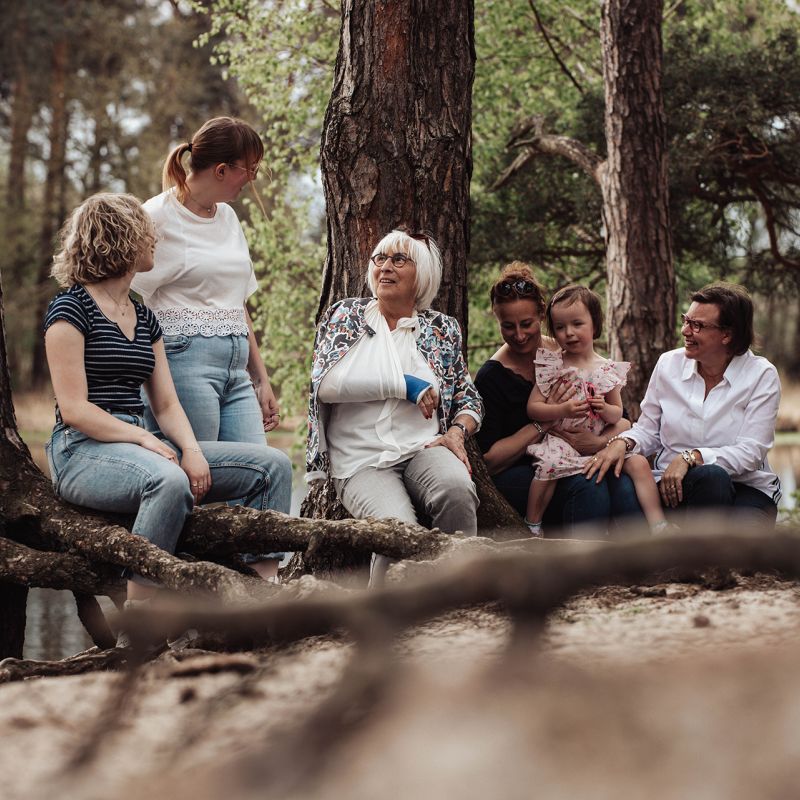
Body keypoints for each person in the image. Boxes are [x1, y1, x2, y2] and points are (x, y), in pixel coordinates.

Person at [44, 193, 292, 628]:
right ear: (119, 240)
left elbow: (165, 402)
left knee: (273, 466)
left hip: (143, 442)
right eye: (146, 231)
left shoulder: (143, 316)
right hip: (81, 450)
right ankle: (142, 614)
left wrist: (192, 449)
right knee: (168, 479)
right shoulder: (69, 309)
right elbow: (76, 409)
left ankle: (260, 593)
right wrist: (144, 438)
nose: (155, 238)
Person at [130, 116, 286, 579]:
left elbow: (238, 304)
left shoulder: (229, 217)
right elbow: (120, 293)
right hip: (182, 361)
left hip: (236, 366)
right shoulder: (155, 215)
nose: (250, 180)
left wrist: (262, 379)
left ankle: (264, 595)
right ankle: (187, 598)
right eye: (248, 170)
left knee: (261, 478)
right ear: (221, 169)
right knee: (200, 485)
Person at [306, 228, 483, 584]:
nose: (385, 267)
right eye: (380, 259)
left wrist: (457, 431)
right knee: (396, 529)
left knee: (457, 491)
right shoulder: (347, 316)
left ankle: (458, 596)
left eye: (399, 260)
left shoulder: (441, 329)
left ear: (424, 274)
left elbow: (468, 396)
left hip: (422, 447)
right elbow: (325, 385)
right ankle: (385, 618)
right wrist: (407, 386)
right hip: (361, 461)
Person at [586, 282, 781, 524]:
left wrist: (691, 457)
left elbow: (751, 452)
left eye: (697, 325)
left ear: (727, 335)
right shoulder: (668, 364)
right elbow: (649, 430)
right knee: (627, 487)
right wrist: (623, 442)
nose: (685, 331)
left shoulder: (761, 375)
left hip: (746, 488)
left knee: (721, 497)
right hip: (675, 486)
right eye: (685, 320)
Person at [474, 262, 642, 534]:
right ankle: (583, 570)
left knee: (620, 478)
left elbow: (621, 420)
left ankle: (642, 560)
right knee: (588, 484)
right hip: (523, 471)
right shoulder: (492, 377)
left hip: (579, 454)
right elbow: (489, 461)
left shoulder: (567, 352)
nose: (519, 335)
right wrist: (545, 423)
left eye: (527, 324)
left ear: (542, 315)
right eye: (508, 326)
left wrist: (599, 443)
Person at [524, 285, 666, 536]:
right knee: (547, 469)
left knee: (640, 464)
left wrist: (604, 409)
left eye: (577, 324)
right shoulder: (553, 364)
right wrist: (562, 409)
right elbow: (533, 408)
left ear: (594, 324)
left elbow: (617, 414)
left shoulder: (606, 369)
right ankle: (533, 523)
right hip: (563, 440)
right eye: (560, 327)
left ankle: (658, 524)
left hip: (601, 444)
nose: (569, 333)